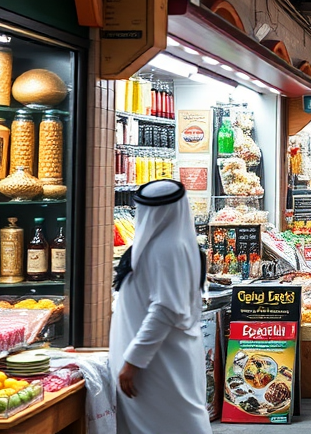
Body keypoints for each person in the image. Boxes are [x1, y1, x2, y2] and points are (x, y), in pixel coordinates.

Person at [110, 180, 210, 434]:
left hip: (159, 363)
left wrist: (133, 361)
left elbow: (166, 309)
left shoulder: (168, 248)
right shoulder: (171, 244)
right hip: (160, 359)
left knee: (174, 424)